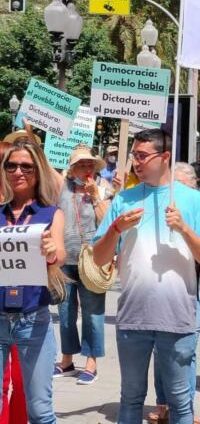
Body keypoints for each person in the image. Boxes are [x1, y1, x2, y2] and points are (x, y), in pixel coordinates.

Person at [92, 129, 200, 424]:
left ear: (165, 157)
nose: (135, 162)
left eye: (141, 155)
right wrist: (115, 230)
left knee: (179, 400)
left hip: (177, 318)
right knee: (131, 398)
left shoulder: (193, 201)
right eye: (133, 156)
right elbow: (99, 259)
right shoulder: (123, 200)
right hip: (132, 317)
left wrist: (184, 229)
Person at [0, 141, 66, 423]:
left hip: (34, 320)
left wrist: (51, 252)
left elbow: (61, 254)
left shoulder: (51, 214)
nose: (18, 171)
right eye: (11, 165)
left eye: (26, 166)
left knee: (39, 411)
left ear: (37, 172)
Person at [148, 162, 200, 424]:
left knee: (185, 352)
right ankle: (163, 402)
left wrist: (184, 229)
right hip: (163, 293)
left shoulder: (198, 208)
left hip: (195, 293)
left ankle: (185, 407)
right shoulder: (161, 212)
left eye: (184, 188)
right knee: (160, 350)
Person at [53, 145, 112, 385]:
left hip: (92, 259)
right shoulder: (61, 187)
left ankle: (91, 363)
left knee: (93, 312)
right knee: (65, 312)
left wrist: (96, 196)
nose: (88, 169)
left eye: (90, 165)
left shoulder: (104, 189)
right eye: (82, 165)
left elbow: (108, 220)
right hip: (65, 259)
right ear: (72, 169)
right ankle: (67, 360)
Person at [0, 141, 27, 424]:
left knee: (22, 378)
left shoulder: (32, 206)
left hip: (25, 304)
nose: (14, 170)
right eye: (8, 164)